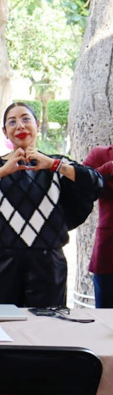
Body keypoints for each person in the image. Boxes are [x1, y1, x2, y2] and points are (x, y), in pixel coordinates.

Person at [0, 102, 102, 307]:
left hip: (48, 265)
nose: (20, 126)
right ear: (5, 132)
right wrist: (2, 172)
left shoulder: (57, 164)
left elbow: (95, 182)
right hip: (0, 264)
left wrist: (53, 164)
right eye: (12, 122)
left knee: (48, 323)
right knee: (2, 324)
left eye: (26, 119)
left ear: (38, 125)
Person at [84, 129, 113, 308]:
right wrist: (107, 168)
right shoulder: (100, 155)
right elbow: (77, 187)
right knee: (106, 318)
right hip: (109, 255)